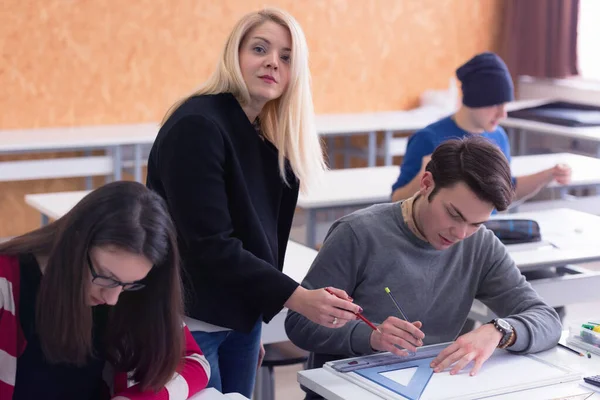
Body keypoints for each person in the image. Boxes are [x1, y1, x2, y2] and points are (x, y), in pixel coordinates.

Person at [146, 7, 360, 397]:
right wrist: (298, 299)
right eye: (259, 49)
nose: (271, 63)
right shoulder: (199, 125)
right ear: (235, 54)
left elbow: (261, 241)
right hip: (189, 323)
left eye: (286, 56)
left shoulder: (266, 135)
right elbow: (209, 244)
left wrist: (251, 319)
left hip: (237, 321)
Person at [286, 137, 561, 400]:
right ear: (426, 183)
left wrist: (499, 331)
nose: (461, 233)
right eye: (454, 214)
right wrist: (370, 336)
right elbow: (300, 323)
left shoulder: (481, 244)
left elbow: (547, 320)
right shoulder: (358, 234)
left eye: (476, 223)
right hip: (343, 392)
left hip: (432, 388)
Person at [0, 181, 210, 400]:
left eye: (130, 284)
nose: (112, 298)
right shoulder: (8, 281)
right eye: (105, 277)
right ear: (76, 243)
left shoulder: (136, 293)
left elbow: (194, 362)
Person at [391, 52, 571, 204]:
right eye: (495, 105)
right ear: (474, 100)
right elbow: (396, 201)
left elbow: (507, 190)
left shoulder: (499, 137)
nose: (503, 114)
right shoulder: (427, 139)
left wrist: (549, 175)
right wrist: (423, 178)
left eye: (505, 105)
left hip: (485, 234)